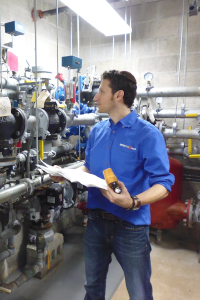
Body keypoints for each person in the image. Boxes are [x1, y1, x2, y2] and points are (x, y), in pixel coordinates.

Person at [52, 70, 175, 300]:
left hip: (131, 227)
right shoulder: (98, 131)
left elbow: (164, 183)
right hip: (96, 222)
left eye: (101, 91)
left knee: (139, 292)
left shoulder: (147, 135)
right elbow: (88, 168)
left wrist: (134, 201)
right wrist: (67, 175)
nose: (95, 98)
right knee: (93, 288)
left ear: (118, 95)